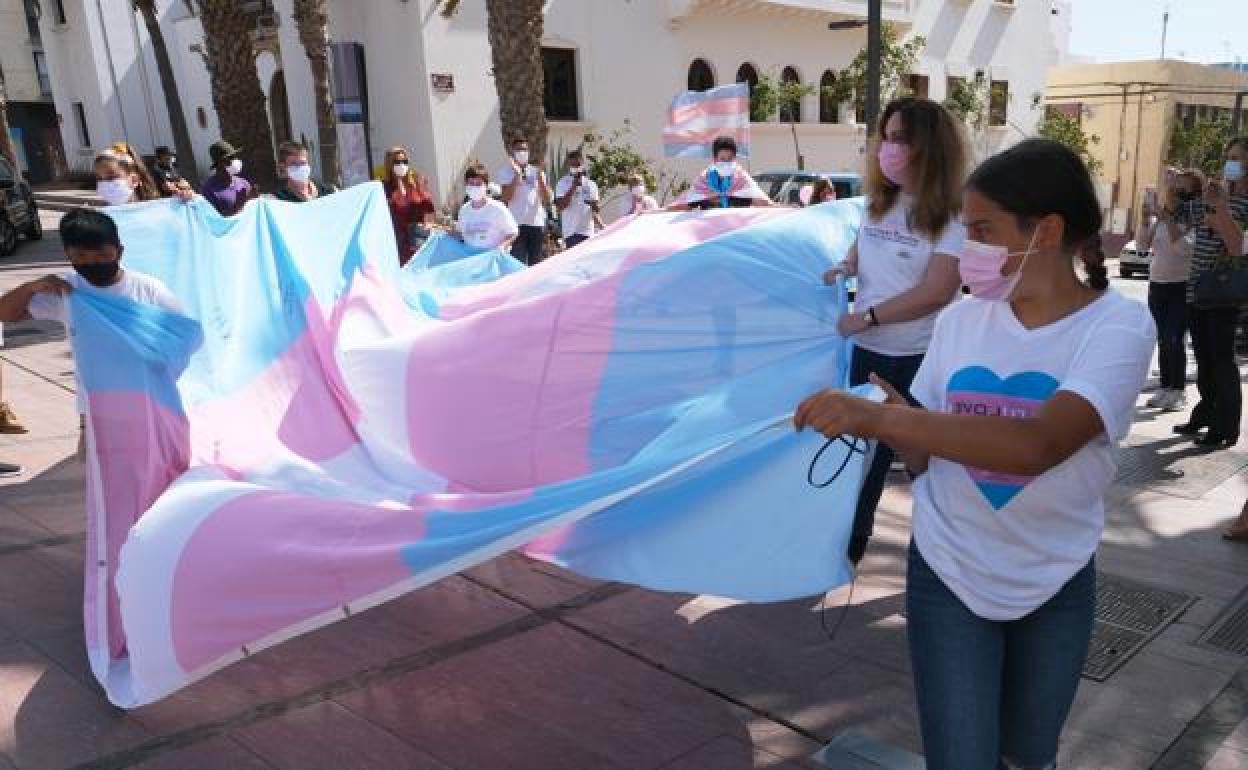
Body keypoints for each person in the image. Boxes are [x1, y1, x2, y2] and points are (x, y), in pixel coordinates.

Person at [795, 139, 1154, 770]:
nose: (970, 250)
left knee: (1027, 757)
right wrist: (895, 423)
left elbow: (1039, 446)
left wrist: (885, 417)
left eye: (983, 231)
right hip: (948, 570)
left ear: (1046, 231)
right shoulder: (962, 322)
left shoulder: (1116, 328)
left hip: (1055, 575)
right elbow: (929, 459)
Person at [824, 97, 968, 565]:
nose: (888, 149)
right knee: (859, 463)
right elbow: (862, 246)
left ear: (929, 147)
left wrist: (867, 318)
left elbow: (937, 291)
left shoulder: (952, 217)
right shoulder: (879, 203)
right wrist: (845, 266)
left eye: (901, 138)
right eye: (885, 137)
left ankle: (941, 558)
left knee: (926, 464)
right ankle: (847, 551)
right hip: (867, 353)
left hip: (917, 357)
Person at [0, 208, 185, 459]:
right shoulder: (67, 292)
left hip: (152, 406)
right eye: (81, 256)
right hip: (96, 414)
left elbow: (181, 338)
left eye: (102, 255)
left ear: (119, 251)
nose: (92, 262)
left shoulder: (149, 290)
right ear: (68, 254)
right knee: (108, 488)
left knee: (162, 479)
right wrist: (29, 288)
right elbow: (6, 314)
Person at [1174, 137, 1248, 449]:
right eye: (1228, 157)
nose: (1229, 164)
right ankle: (1206, 413)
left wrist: (1220, 210)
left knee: (1221, 360)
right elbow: (1182, 223)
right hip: (1198, 288)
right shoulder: (1215, 194)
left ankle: (1226, 425)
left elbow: (1235, 246)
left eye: (1237, 158)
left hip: (1224, 291)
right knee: (1204, 359)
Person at [1137, 169, 1198, 412]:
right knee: (1162, 338)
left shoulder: (1195, 219)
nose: (1177, 193)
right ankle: (1165, 387)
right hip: (1158, 285)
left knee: (1174, 337)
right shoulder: (1163, 219)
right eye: (1174, 188)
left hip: (1181, 286)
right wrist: (1145, 221)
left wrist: (1169, 219)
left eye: (1183, 189)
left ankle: (1178, 390)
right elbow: (1142, 245)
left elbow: (1185, 249)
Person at [669, 135, 771, 210]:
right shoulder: (703, 181)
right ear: (714, 159)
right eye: (722, 159)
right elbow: (685, 204)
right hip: (712, 235)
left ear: (735, 159)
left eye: (730, 159)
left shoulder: (742, 179)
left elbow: (762, 202)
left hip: (736, 234)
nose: (726, 162)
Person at [497, 137, 550, 265]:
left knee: (536, 266)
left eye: (525, 149)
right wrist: (516, 177)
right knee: (517, 264)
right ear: (512, 152)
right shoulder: (505, 172)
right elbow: (505, 198)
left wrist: (540, 178)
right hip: (516, 226)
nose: (522, 152)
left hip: (536, 225)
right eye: (519, 149)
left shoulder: (537, 171)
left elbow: (547, 198)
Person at [382, 146, 436, 266]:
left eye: (404, 161)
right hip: (399, 242)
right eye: (397, 162)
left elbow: (429, 208)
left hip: (419, 239)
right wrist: (398, 194)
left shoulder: (417, 182)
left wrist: (429, 224)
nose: (402, 165)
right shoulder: (384, 188)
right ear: (390, 165)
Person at [455, 165, 518, 252]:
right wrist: (442, 234)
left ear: (486, 185)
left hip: (493, 261)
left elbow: (512, 232)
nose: (474, 187)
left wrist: (502, 246)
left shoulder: (498, 208)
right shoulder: (464, 210)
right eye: (471, 183)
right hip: (471, 260)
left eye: (478, 184)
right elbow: (460, 234)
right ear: (466, 185)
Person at [554, 149, 603, 249]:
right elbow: (561, 207)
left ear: (583, 164)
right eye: (573, 165)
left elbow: (596, 210)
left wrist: (595, 206)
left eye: (578, 165)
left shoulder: (591, 184)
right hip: (572, 233)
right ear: (569, 166)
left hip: (588, 232)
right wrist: (573, 187)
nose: (576, 167)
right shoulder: (562, 183)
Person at [201, 140, 257, 218]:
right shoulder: (209, 190)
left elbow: (253, 212)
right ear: (219, 163)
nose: (235, 160)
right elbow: (213, 220)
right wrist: (238, 205)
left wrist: (254, 200)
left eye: (235, 157)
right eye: (230, 158)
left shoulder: (244, 183)